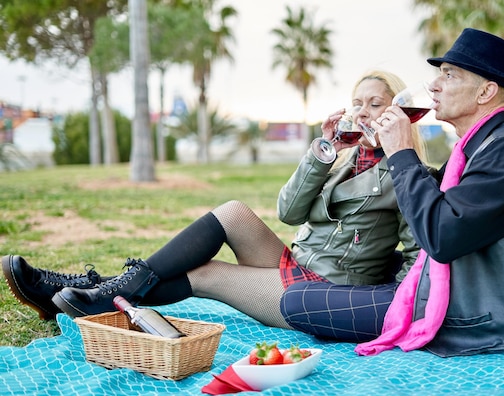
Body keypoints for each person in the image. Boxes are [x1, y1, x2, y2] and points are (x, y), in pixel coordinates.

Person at [2, 70, 425, 334]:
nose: (364, 112)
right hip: (297, 263)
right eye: (358, 103)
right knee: (233, 211)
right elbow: (289, 212)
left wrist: (384, 313)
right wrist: (322, 151)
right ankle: (94, 292)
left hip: (326, 290)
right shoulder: (341, 158)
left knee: (207, 273)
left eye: (376, 104)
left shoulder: (407, 171)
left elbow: (419, 252)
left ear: (398, 114)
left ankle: (89, 293)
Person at [281, 28, 504, 357]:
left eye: (449, 75)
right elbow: (440, 216)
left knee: (297, 300)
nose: (433, 85)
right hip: (472, 289)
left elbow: (440, 237)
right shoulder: (486, 144)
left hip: (485, 314)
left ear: (485, 92)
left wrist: (401, 153)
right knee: (383, 266)